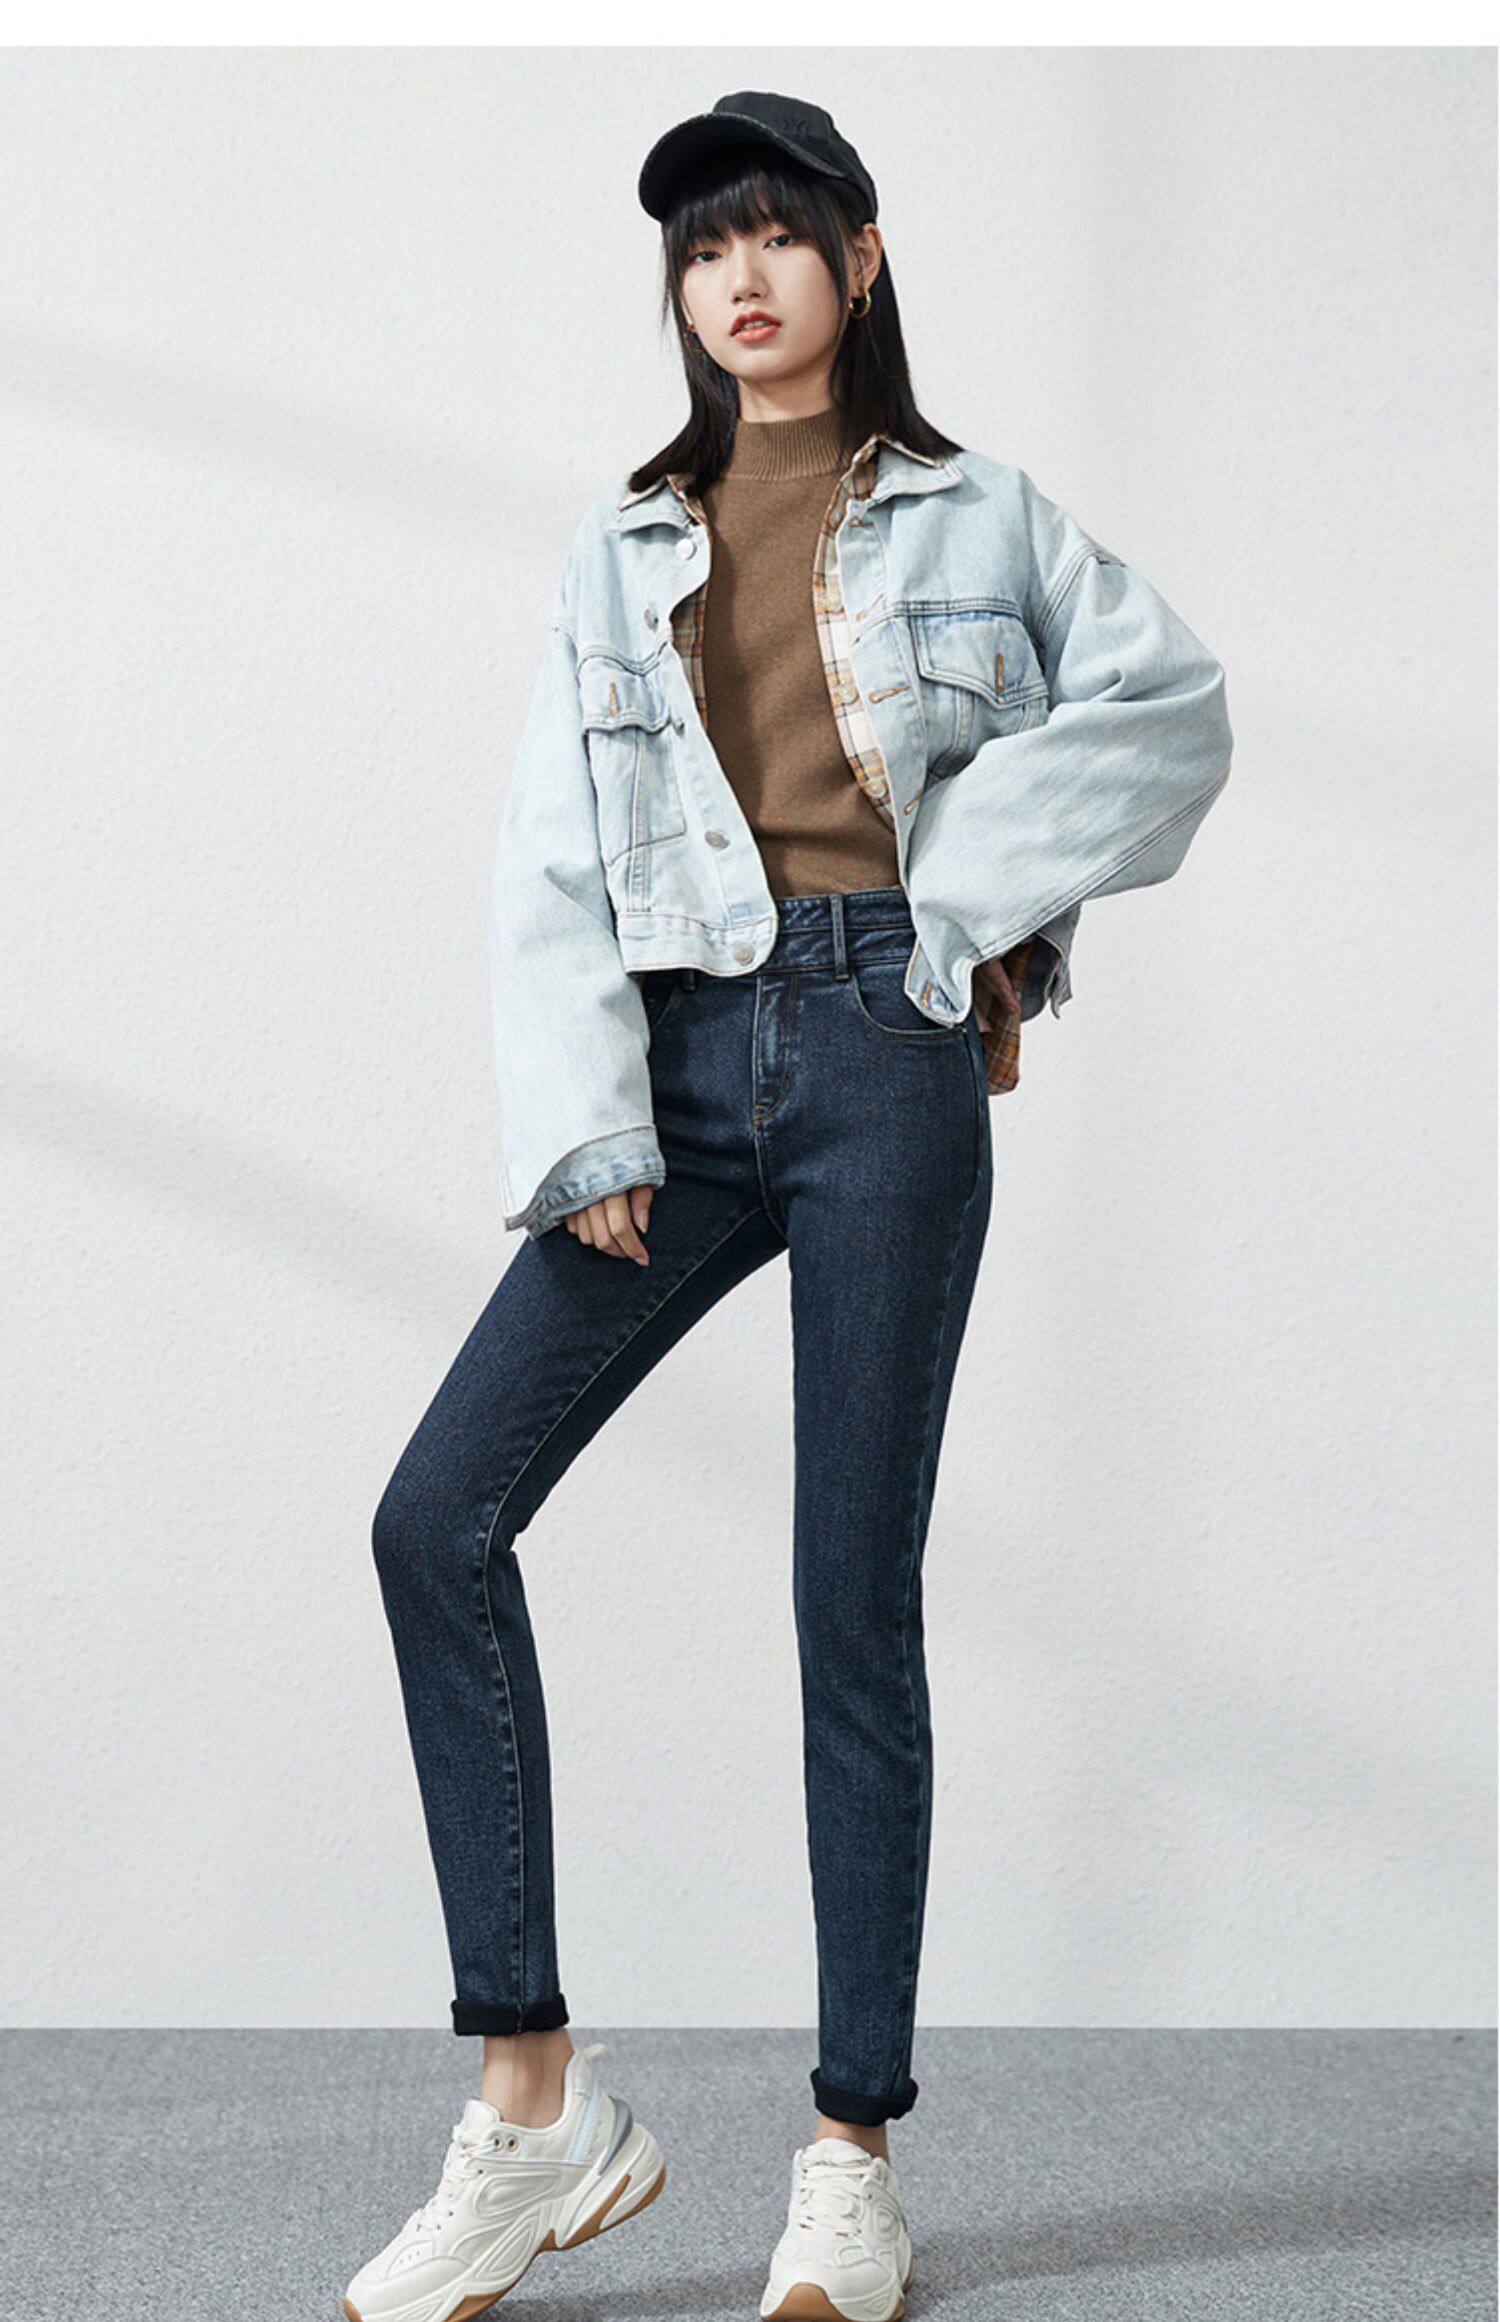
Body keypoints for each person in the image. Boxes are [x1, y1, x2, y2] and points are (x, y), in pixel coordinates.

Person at [343, 89, 1233, 2322]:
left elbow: (1170, 708)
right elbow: (553, 851)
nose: (736, 278)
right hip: (672, 1064)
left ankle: (851, 2158)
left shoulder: (978, 511)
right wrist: (592, 1126)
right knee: (436, 1519)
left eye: (773, 234)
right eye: (700, 248)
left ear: (858, 254)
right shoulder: (622, 540)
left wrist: (966, 914)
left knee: (852, 1596)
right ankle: (535, 2107)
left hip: (879, 1062)